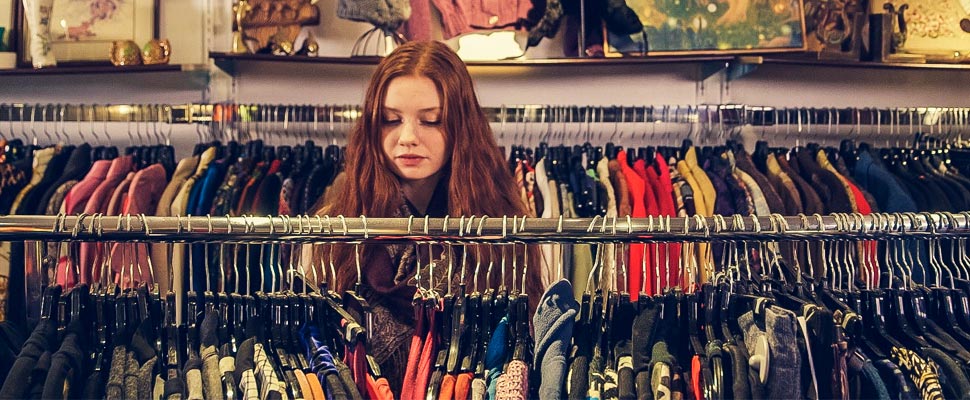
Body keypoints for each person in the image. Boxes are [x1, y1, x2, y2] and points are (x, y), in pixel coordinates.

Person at [311, 40, 543, 392]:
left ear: (460, 126)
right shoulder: (338, 230)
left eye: (430, 121)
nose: (407, 138)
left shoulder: (500, 230)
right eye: (391, 120)